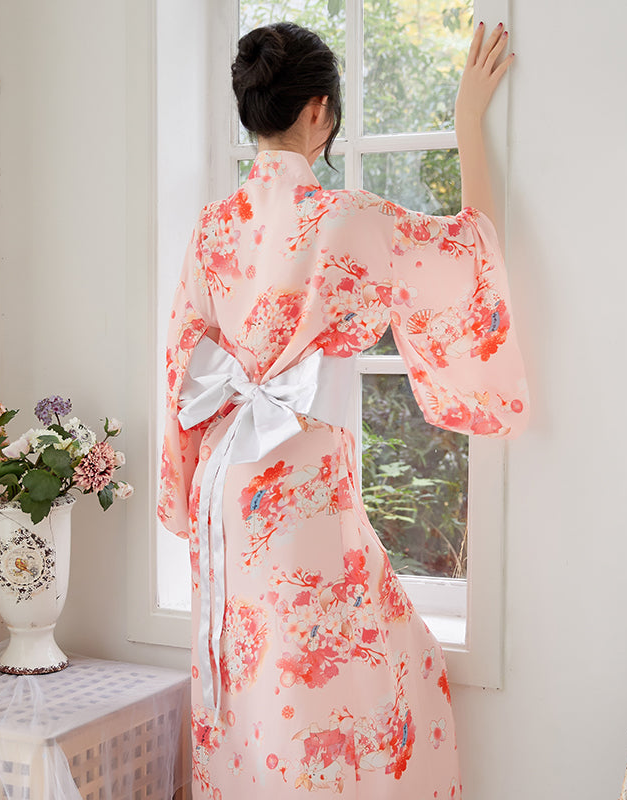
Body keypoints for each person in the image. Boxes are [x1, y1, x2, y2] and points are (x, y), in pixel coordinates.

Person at [158, 20, 528, 799]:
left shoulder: (212, 229)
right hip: (297, 493)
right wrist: (467, 123)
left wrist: (182, 491)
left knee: (258, 695)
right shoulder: (343, 218)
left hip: (228, 489)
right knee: (334, 691)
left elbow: (179, 369)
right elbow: (467, 259)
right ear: (320, 112)